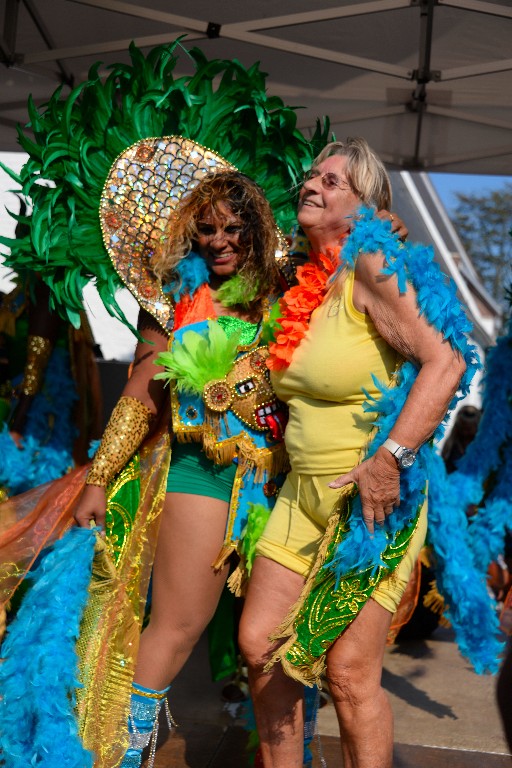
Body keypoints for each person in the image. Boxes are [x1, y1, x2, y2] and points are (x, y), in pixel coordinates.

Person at [238, 138, 475, 768]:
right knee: (260, 646)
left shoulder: (372, 262)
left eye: (333, 180)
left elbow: (447, 359)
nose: (312, 184)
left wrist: (390, 458)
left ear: (365, 205)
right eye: (311, 175)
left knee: (347, 674)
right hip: (302, 494)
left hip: (371, 503)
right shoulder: (304, 281)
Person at [72, 169, 291, 767]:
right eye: (206, 230)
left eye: (232, 227)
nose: (218, 241)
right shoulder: (172, 299)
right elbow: (143, 393)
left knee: (281, 640)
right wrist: (99, 477)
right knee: (179, 624)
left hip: (284, 487)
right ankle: (122, 756)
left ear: (257, 227)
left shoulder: (288, 289)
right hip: (202, 474)